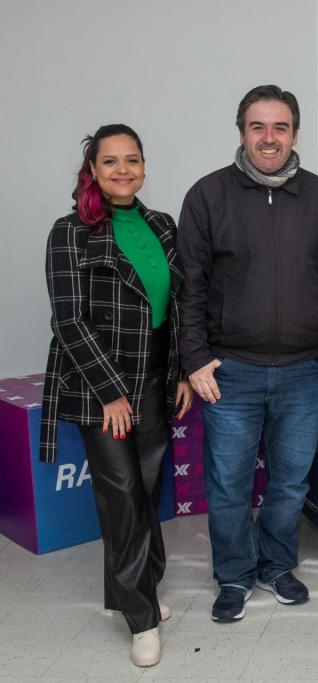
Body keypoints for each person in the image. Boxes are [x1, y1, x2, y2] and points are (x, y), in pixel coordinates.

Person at [177, 85, 318, 622]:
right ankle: (234, 575)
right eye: (258, 127)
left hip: (303, 372)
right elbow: (189, 286)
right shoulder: (207, 196)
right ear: (242, 132)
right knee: (229, 485)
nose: (268, 138)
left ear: (295, 134)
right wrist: (194, 357)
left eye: (279, 127)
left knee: (290, 482)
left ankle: (276, 566)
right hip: (230, 372)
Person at [41, 124, 192, 667]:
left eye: (132, 160)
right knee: (122, 494)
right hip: (98, 385)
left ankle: (128, 590)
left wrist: (179, 372)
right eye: (110, 161)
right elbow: (69, 321)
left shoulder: (163, 225)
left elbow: (176, 308)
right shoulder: (70, 232)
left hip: (154, 379)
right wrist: (110, 392)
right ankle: (141, 617)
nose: (123, 170)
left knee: (145, 490)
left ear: (144, 167)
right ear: (93, 170)